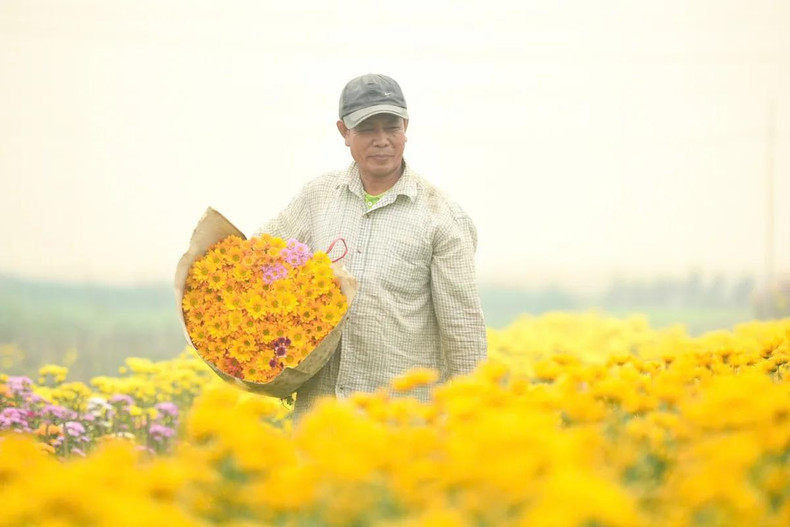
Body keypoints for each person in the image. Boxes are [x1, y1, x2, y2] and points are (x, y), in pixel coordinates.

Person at [254, 73, 487, 418]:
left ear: (406, 127)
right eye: (366, 129)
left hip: (399, 423)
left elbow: (463, 330)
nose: (382, 141)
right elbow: (260, 257)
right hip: (321, 418)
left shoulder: (440, 216)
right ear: (343, 132)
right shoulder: (317, 198)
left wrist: (471, 418)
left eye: (391, 128)